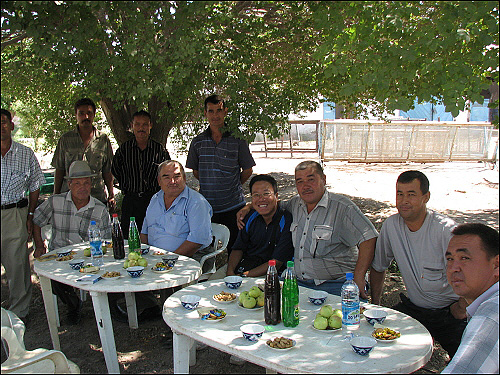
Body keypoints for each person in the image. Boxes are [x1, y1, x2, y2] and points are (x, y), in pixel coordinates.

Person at [237, 160, 378, 299]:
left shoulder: (342, 207)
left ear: (323, 179)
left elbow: (369, 237)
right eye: (300, 181)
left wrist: (359, 275)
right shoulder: (295, 204)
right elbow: (270, 203)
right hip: (300, 283)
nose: (305, 186)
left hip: (336, 284)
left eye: (311, 179)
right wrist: (248, 207)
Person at [370, 170, 467, 358]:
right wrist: (376, 306)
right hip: (413, 308)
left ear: (426, 197)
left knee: (466, 360)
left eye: (411, 194)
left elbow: (472, 273)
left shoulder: (446, 231)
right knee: (374, 338)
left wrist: (462, 307)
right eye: (400, 194)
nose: (404, 200)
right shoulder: (391, 226)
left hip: (448, 311)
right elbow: (378, 266)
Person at [32, 160, 111, 325]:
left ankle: (107, 308)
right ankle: (73, 304)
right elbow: (36, 220)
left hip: (88, 258)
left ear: (91, 184)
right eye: (77, 183)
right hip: (59, 255)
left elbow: (106, 242)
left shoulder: (100, 209)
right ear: (69, 184)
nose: (82, 187)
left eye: (86, 183)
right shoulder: (55, 202)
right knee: (47, 273)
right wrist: (39, 245)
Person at [186, 95, 255, 258]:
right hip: (207, 207)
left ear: (225, 112)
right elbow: (196, 172)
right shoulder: (198, 142)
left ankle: (236, 278)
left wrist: (232, 184)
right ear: (205, 113)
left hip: (234, 206)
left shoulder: (238, 139)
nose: (215, 115)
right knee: (204, 251)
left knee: (237, 249)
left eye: (219, 111)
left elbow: (248, 169)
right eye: (211, 111)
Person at [1, 109, 45, 322]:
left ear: (11, 125)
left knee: (17, 264)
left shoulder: (25, 153)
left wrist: (29, 215)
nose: (1, 127)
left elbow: (36, 185)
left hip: (14, 214)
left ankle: (19, 314)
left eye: (3, 122)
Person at [442, 223, 499, 374]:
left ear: (496, 264)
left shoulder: (492, 314)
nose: (454, 267)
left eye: (464, 258)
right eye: (450, 258)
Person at [141, 160, 213, 271]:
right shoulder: (155, 199)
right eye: (166, 177)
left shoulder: (196, 202)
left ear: (184, 178)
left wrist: (167, 262)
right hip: (154, 258)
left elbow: (196, 242)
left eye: (177, 176)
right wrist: (144, 256)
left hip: (188, 258)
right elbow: (144, 232)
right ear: (159, 181)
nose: (172, 181)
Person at [111, 110, 170, 237]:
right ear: (132, 126)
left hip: (154, 201)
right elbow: (116, 170)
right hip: (131, 201)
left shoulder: (159, 149)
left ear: (150, 126)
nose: (141, 128)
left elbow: (167, 173)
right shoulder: (124, 149)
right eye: (137, 124)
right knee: (129, 236)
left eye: (144, 125)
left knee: (155, 235)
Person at [225, 174, 293, 278]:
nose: (261, 199)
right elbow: (238, 248)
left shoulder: (286, 220)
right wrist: (230, 273)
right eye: (256, 195)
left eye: (266, 194)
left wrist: (244, 276)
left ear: (276, 196)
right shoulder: (249, 217)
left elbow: (277, 262)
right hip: (244, 266)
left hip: (270, 273)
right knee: (211, 284)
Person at [52, 98, 115, 209]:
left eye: (89, 113)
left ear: (94, 115)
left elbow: (107, 170)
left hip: (96, 196)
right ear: (76, 115)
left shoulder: (103, 140)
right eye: (81, 113)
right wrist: (56, 195)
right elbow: (59, 168)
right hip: (70, 198)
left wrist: (111, 194)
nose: (86, 117)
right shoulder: (66, 139)